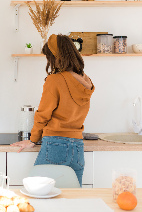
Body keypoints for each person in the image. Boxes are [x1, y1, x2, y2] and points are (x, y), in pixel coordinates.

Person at [11, 34, 94, 186]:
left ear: (56, 57)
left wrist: (33, 140)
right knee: (72, 199)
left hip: (55, 145)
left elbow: (43, 115)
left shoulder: (55, 80)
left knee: (37, 192)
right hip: (77, 147)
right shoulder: (85, 81)